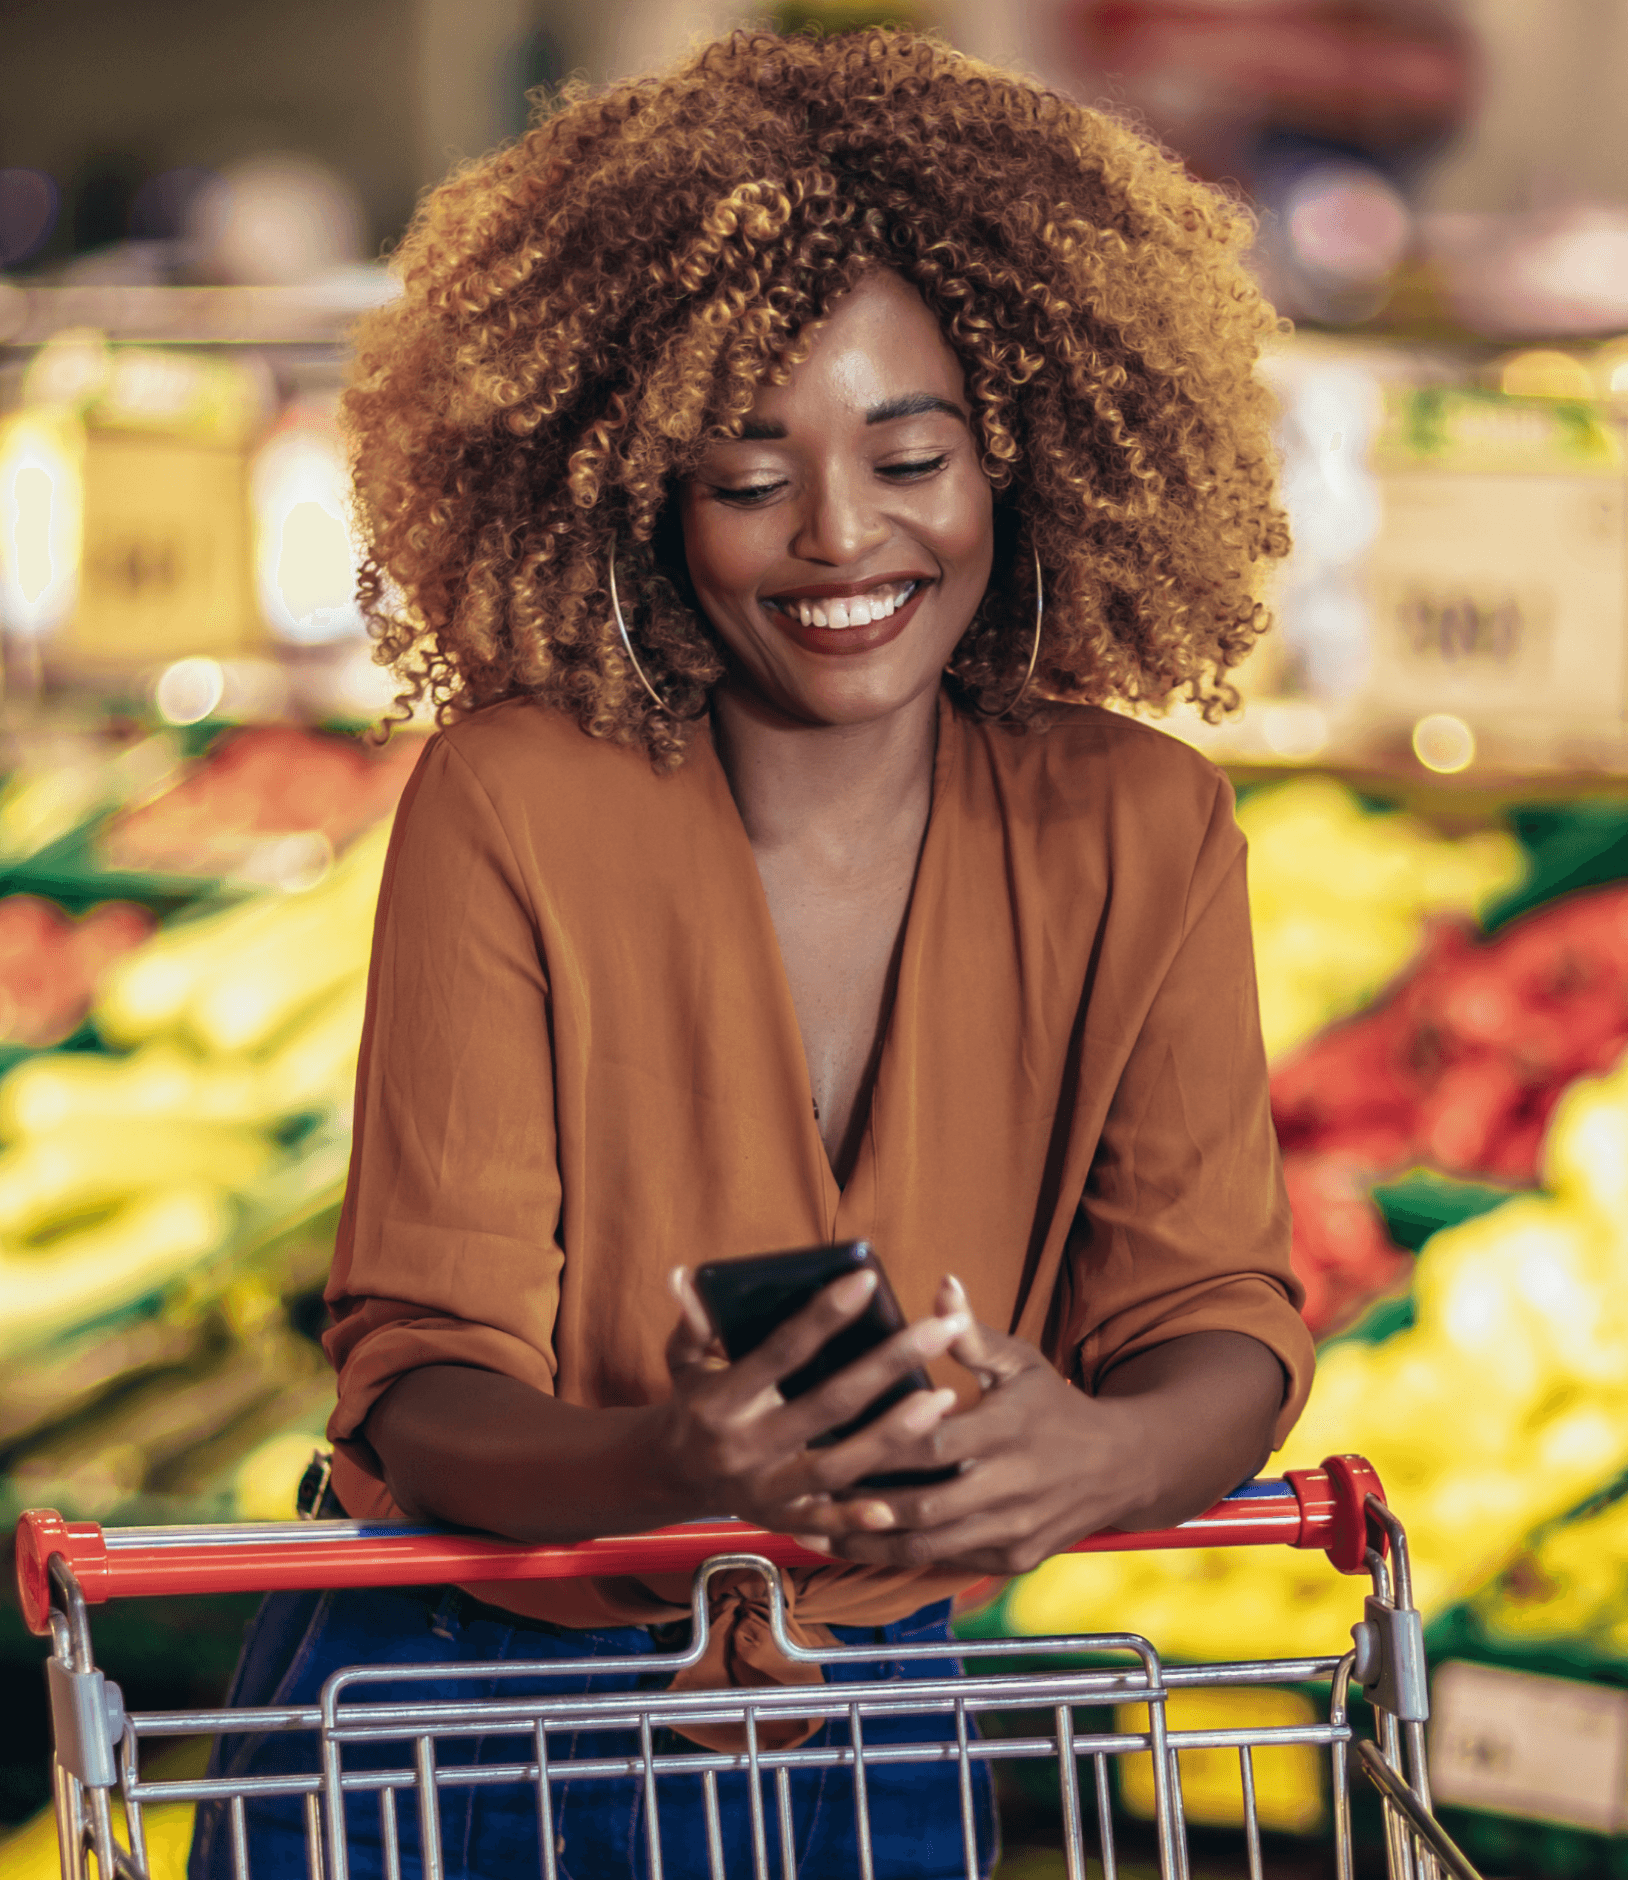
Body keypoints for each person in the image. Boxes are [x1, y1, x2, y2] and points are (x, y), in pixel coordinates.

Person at [191, 26, 1314, 1880]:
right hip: (455, 1723)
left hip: (880, 1721)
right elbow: (421, 1376)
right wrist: (673, 1465)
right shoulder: (514, 803)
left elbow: (1215, 1315)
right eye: (746, 474)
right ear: (640, 493)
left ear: (1021, 457)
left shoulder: (1144, 829)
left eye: (910, 453)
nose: (841, 536)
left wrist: (1101, 1462)